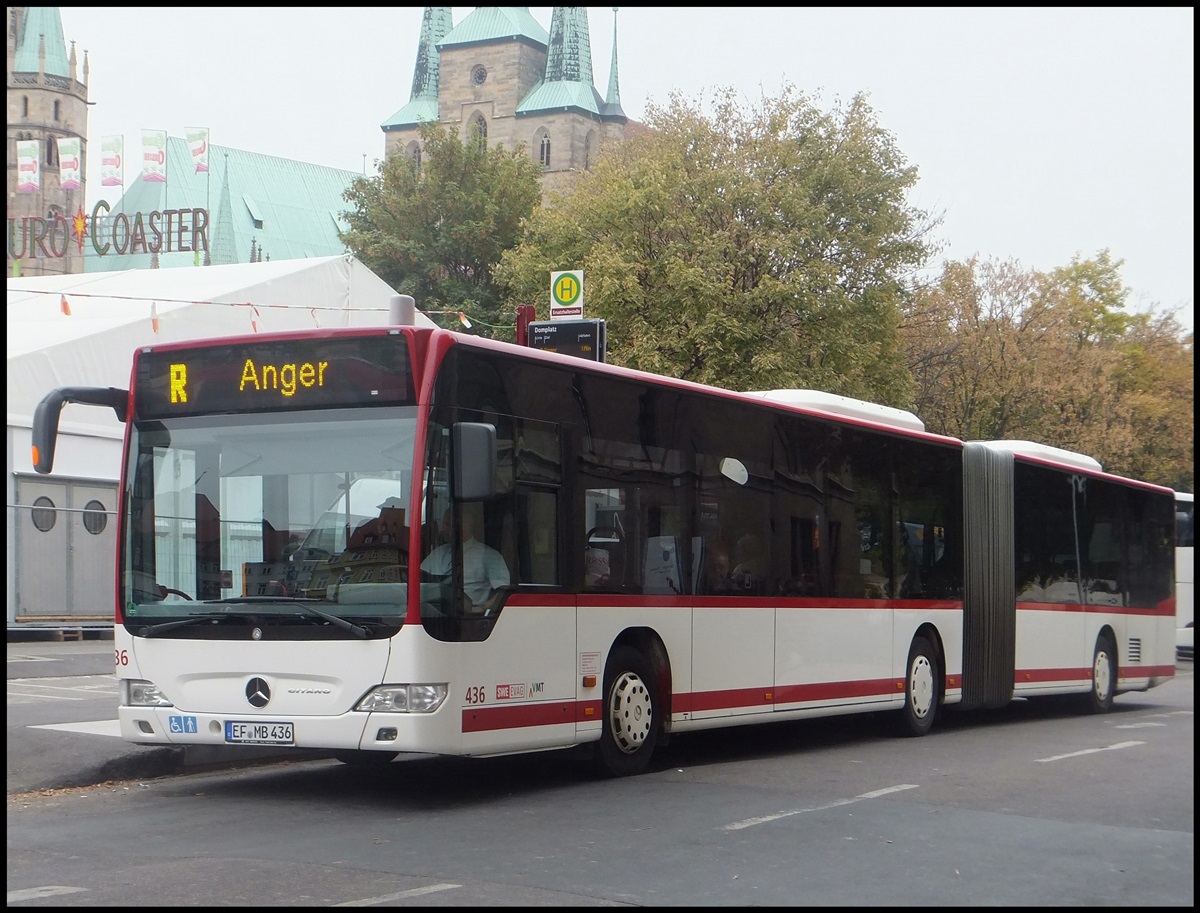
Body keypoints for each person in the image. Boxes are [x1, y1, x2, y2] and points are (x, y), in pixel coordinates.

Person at [420, 505, 510, 611]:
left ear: (464, 526)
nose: (443, 528)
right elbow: (419, 577)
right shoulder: (438, 552)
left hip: (466, 617)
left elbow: (504, 591)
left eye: (447, 524)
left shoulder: (488, 555)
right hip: (433, 612)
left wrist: (482, 608)